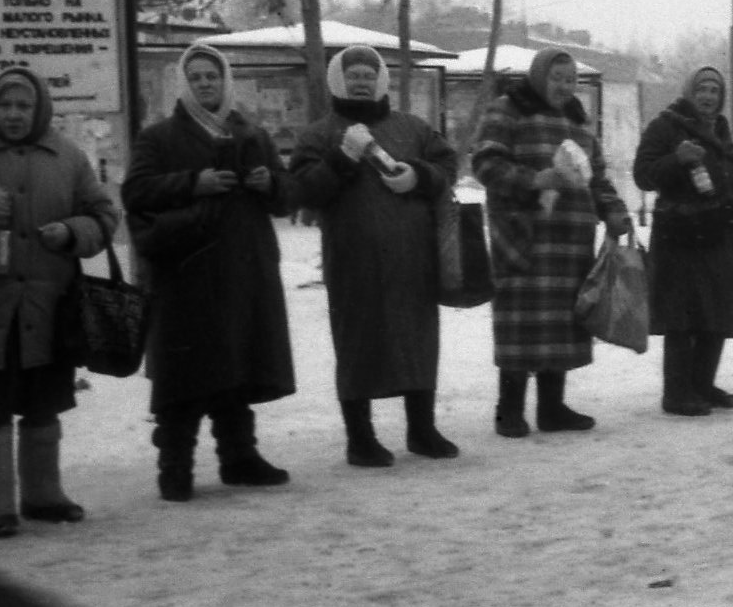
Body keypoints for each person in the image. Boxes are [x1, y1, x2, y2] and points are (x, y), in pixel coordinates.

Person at [0, 67, 119, 536]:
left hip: (48, 309)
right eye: (5, 105)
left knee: (44, 405)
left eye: (23, 106)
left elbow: (104, 214)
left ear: (39, 108)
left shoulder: (66, 155)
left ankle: (44, 497)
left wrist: (71, 232)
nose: (14, 115)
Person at [123, 44, 295, 501]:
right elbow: (135, 192)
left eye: (212, 76)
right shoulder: (159, 137)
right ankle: (174, 467)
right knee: (185, 371)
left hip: (244, 268)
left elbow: (285, 197)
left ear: (225, 81)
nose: (205, 84)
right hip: (188, 271)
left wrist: (270, 184)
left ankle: (240, 458)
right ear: (185, 84)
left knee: (237, 363)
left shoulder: (251, 134)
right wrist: (192, 183)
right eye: (196, 77)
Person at [291, 45, 462, 466]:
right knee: (357, 343)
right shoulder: (319, 134)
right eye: (354, 75)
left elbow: (448, 166)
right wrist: (342, 157)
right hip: (353, 262)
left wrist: (419, 176)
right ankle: (360, 437)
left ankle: (421, 429)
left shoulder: (413, 128)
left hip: (412, 261)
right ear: (337, 79)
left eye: (369, 74)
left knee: (418, 340)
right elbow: (305, 190)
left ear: (382, 80)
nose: (362, 81)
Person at [472, 47, 632, 437]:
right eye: (557, 77)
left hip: (570, 244)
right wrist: (534, 180)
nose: (564, 86)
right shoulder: (507, 110)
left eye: (570, 79)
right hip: (523, 236)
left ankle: (552, 408)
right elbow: (485, 164)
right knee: (520, 324)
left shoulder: (577, 120)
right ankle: (509, 410)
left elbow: (596, 177)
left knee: (561, 322)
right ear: (538, 76)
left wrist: (613, 210)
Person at [633, 65, 733, 416]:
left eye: (714, 90)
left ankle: (702, 384)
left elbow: (731, 174)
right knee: (681, 316)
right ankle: (676, 393)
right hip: (679, 233)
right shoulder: (665, 125)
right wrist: (676, 160)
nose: (708, 96)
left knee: (717, 312)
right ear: (689, 91)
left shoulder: (723, 130)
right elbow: (643, 175)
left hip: (718, 230)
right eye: (702, 89)